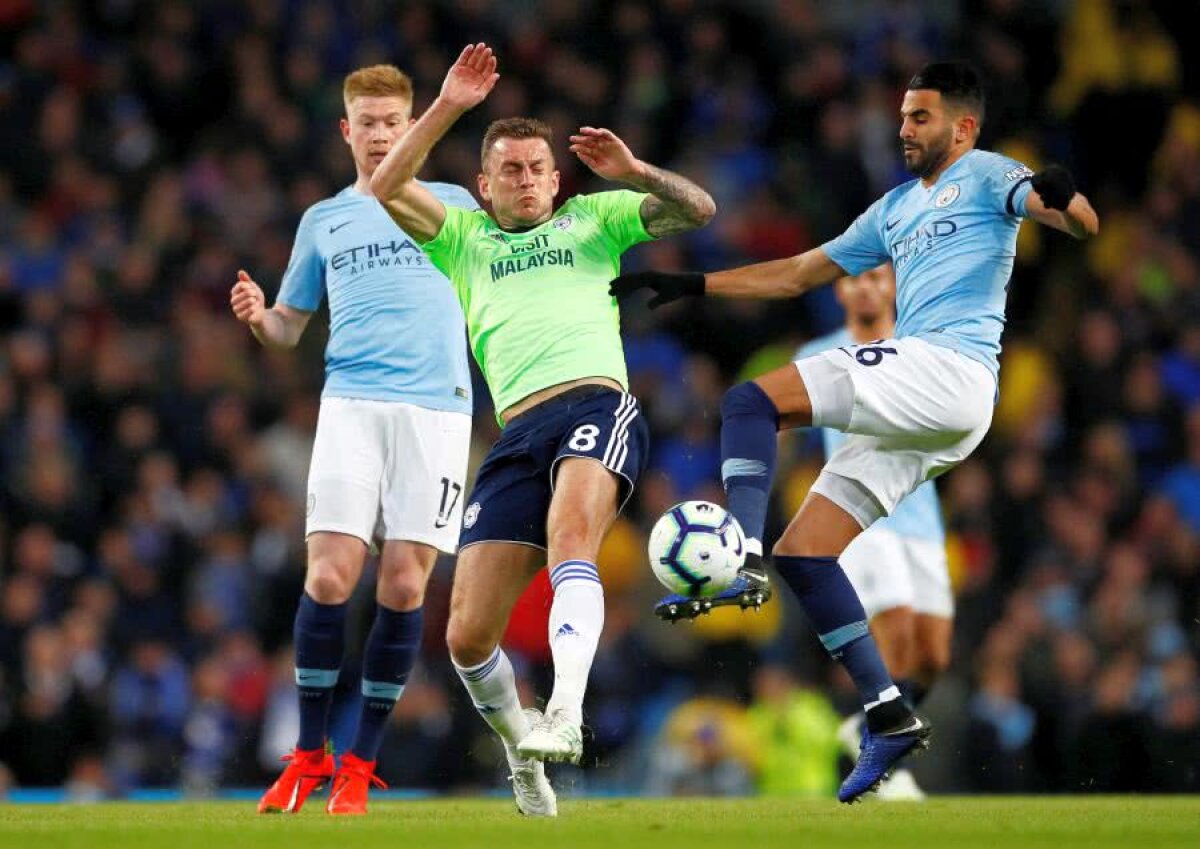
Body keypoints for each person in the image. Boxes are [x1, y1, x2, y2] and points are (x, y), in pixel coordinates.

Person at [610, 61, 1098, 802]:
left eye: (921, 117)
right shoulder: (893, 209)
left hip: (948, 369)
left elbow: (1077, 221)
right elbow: (798, 273)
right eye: (903, 116)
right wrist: (696, 285)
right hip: (936, 409)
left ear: (964, 127)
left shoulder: (989, 173)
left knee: (748, 402)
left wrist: (1065, 199)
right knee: (805, 553)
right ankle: (888, 715)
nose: (904, 128)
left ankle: (739, 555)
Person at [370, 43, 715, 816]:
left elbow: (699, 208)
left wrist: (635, 172)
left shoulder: (594, 219)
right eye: (511, 170)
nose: (526, 179)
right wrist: (450, 104)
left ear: (557, 180)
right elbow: (383, 184)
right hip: (516, 436)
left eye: (537, 168)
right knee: (465, 636)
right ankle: (521, 750)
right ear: (484, 186)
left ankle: (565, 709)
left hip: (595, 407)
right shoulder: (463, 239)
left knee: (571, 536)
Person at [230, 64, 479, 816]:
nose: (380, 134)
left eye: (393, 121)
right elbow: (289, 328)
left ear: (413, 127)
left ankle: (360, 762)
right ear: (347, 131)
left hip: (437, 411)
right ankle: (309, 754)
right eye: (367, 123)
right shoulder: (324, 220)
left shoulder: (458, 205)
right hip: (351, 405)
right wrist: (259, 317)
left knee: (403, 586)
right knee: (331, 577)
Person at [795, 264, 950, 801]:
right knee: (896, 631)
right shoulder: (819, 355)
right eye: (855, 278)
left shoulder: (923, 349)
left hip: (921, 518)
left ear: (894, 287)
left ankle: (863, 728)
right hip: (862, 515)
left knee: (933, 657)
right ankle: (885, 755)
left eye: (877, 278)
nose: (866, 287)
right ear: (840, 290)